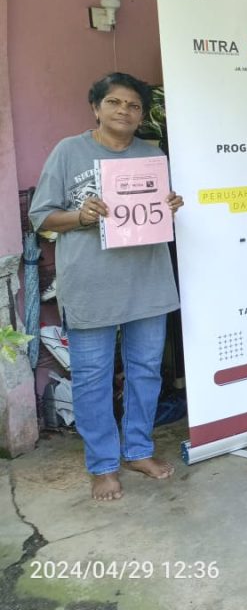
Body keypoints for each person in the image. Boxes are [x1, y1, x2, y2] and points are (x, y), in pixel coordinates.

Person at [29, 72, 184, 502]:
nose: (124, 111)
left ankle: (138, 450)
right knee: (92, 377)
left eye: (133, 105)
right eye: (114, 102)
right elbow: (41, 217)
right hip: (91, 285)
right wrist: (81, 216)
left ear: (141, 115)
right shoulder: (69, 151)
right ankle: (102, 465)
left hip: (148, 281)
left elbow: (156, 209)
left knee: (145, 371)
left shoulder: (152, 154)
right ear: (96, 108)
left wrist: (170, 204)